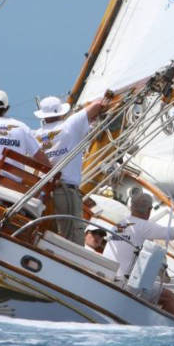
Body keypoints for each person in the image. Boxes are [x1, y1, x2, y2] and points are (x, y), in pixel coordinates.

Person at [103, 188, 174, 317]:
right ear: (149, 210)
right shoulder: (144, 226)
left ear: (131, 207)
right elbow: (172, 233)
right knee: (168, 297)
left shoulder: (120, 225)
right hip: (125, 285)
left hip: (109, 277)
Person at [34, 94, 110, 244]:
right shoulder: (70, 124)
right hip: (65, 190)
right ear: (61, 113)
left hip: (43, 191)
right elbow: (98, 104)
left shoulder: (37, 135)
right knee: (73, 238)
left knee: (49, 231)